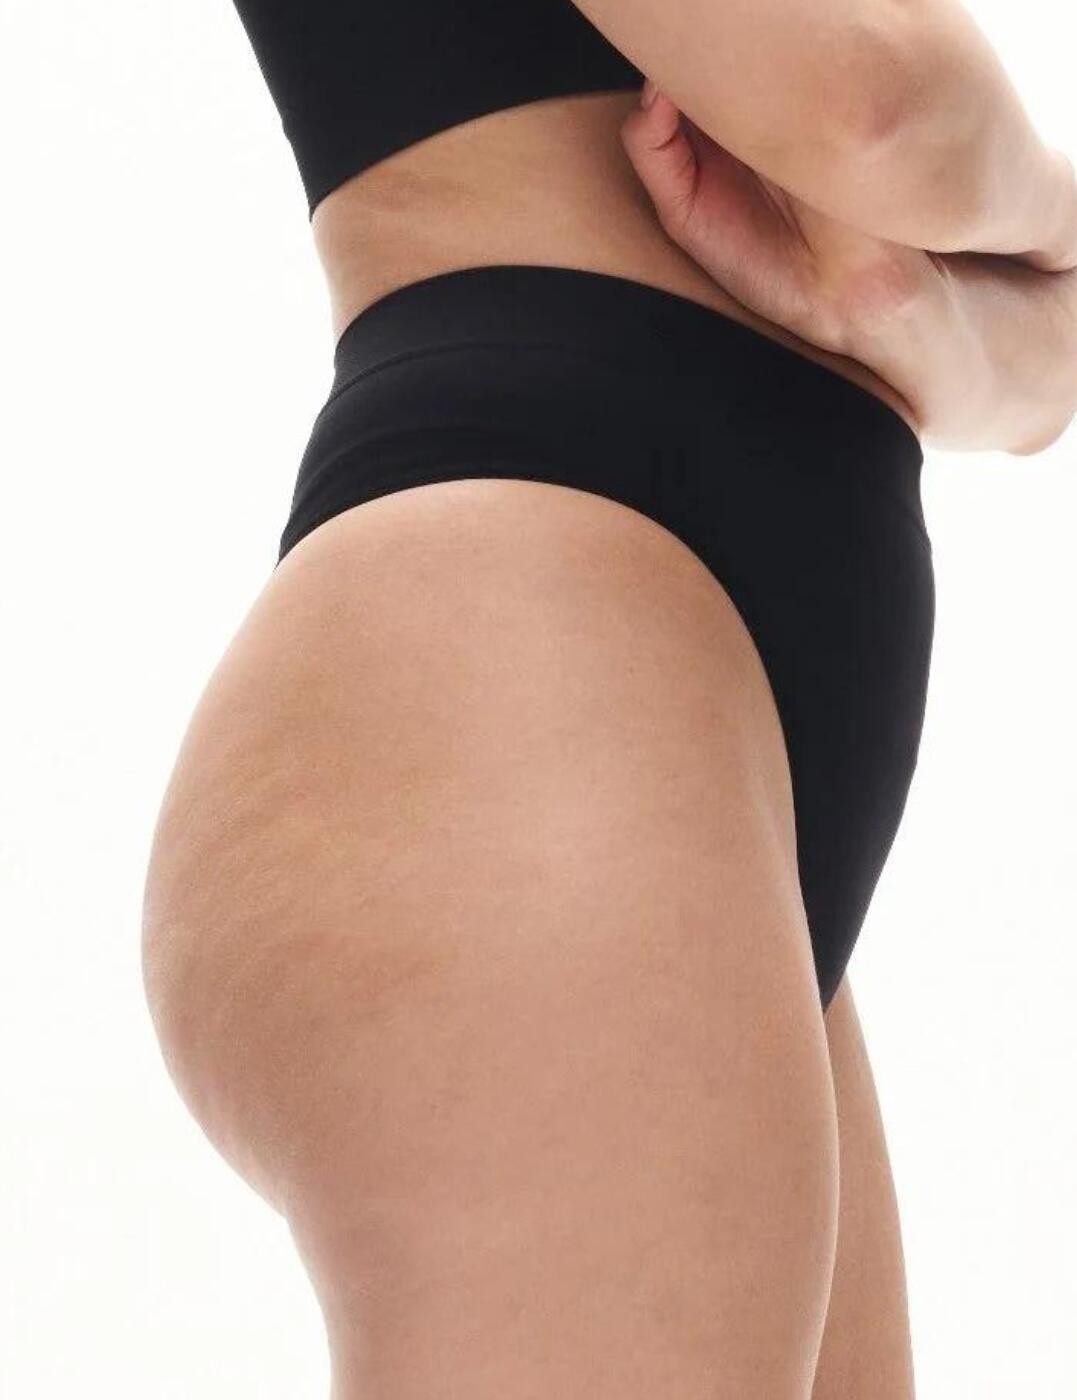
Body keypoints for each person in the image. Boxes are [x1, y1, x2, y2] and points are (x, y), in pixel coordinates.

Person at [139, 2, 1077, 1395]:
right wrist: (1049, 221)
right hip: (513, 670)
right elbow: (864, 103)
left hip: (669, 748)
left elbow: (1032, 383)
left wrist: (934, 293)